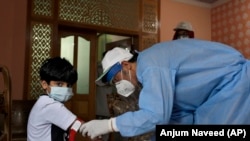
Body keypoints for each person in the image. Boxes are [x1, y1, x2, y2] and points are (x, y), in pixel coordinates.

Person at [79, 38, 250, 140]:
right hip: (214, 97)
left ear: (126, 65)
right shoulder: (151, 72)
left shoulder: (150, 65)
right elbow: (177, 118)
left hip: (234, 84)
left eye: (116, 79)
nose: (118, 86)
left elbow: (155, 116)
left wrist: (109, 125)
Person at [27, 57, 100, 141]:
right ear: (44, 84)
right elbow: (79, 125)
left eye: (68, 85)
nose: (65, 89)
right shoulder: (50, 105)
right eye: (59, 84)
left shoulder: (43, 101)